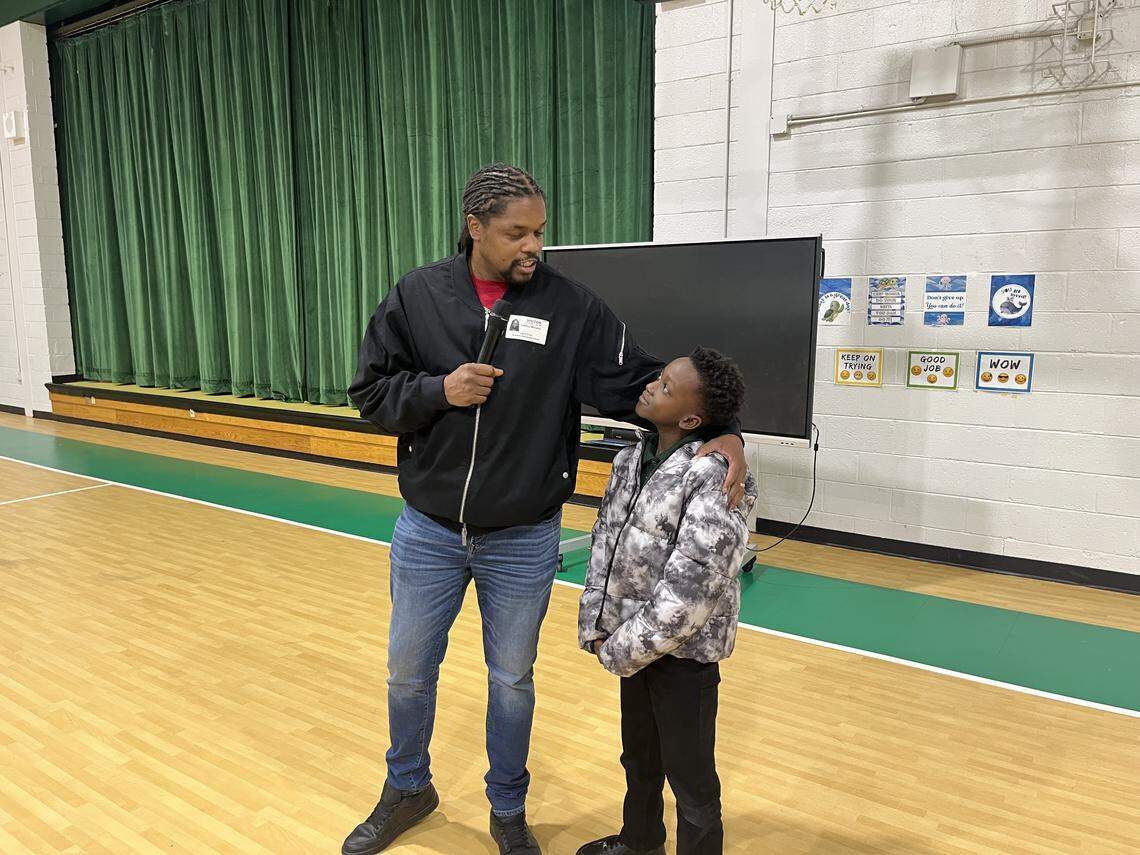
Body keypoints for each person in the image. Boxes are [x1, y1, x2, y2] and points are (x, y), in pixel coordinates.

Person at [342, 164, 750, 855]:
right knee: (408, 669)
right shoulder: (418, 295)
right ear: (476, 228)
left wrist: (723, 429)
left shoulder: (573, 309)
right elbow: (371, 392)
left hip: (523, 537)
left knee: (511, 681)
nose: (534, 245)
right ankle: (408, 785)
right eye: (516, 232)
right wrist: (439, 389)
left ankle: (508, 808)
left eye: (539, 230)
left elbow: (647, 386)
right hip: (429, 531)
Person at [576, 348, 757, 855]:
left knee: (691, 777)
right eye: (658, 378)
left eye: (666, 388)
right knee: (639, 758)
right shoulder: (631, 458)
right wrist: (599, 621)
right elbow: (606, 540)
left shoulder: (715, 477)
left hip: (681, 658)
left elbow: (691, 592)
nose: (651, 386)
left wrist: (622, 649)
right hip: (632, 644)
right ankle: (640, 842)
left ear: (691, 418)